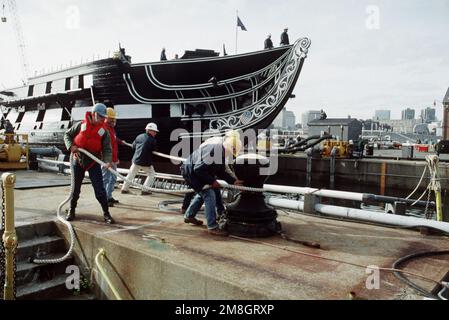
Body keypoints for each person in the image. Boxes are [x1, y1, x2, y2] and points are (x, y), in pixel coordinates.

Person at [181, 134, 243, 236]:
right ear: (228, 148)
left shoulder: (221, 153)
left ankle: (189, 216)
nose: (231, 155)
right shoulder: (215, 152)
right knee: (209, 194)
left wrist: (233, 181)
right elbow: (198, 169)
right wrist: (212, 182)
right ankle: (212, 226)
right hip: (191, 173)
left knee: (203, 194)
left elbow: (220, 171)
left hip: (196, 171)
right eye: (231, 152)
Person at [64, 103, 115, 224]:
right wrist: (71, 146)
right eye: (102, 117)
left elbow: (107, 148)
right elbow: (67, 135)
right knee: (75, 189)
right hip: (78, 160)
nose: (104, 120)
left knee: (99, 190)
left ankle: (106, 213)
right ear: (94, 114)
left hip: (93, 162)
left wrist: (108, 160)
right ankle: (71, 210)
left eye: (104, 117)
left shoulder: (104, 131)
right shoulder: (81, 125)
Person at [121, 123, 158, 195]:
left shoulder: (139, 136)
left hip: (136, 160)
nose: (155, 133)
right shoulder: (152, 140)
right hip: (145, 162)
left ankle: (124, 189)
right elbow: (154, 150)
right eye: (155, 132)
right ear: (150, 131)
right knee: (152, 174)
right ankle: (145, 190)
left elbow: (133, 146)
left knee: (131, 174)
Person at [102, 108, 127, 207]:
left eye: (114, 119)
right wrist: (107, 160)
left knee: (113, 178)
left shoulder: (111, 129)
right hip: (107, 160)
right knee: (106, 179)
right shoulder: (103, 129)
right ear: (106, 118)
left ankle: (109, 196)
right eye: (111, 119)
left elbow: (114, 139)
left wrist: (121, 142)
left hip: (113, 159)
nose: (114, 121)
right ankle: (104, 199)